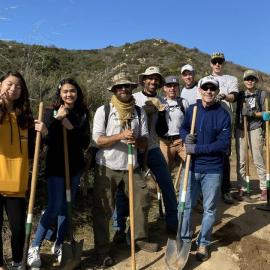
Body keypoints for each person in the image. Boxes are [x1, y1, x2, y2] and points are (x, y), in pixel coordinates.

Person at [92, 73, 158, 267]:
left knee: (142, 199)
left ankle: (138, 238)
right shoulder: (103, 111)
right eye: (119, 87)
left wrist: (135, 141)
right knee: (103, 209)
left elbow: (145, 141)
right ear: (114, 90)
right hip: (107, 166)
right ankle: (102, 250)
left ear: (132, 89)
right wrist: (120, 136)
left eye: (127, 86)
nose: (124, 90)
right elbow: (98, 140)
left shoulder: (139, 112)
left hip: (131, 165)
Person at [27, 78, 90, 268]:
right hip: (56, 166)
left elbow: (84, 141)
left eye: (72, 91)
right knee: (55, 205)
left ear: (77, 93)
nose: (69, 94)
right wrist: (56, 120)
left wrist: (70, 126)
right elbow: (47, 139)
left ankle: (59, 244)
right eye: (65, 91)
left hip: (74, 166)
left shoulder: (82, 113)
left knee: (66, 207)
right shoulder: (50, 111)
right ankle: (34, 247)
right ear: (60, 94)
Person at [180, 75, 231, 261]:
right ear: (199, 90)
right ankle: (185, 240)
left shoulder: (223, 115)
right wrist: (186, 137)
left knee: (209, 209)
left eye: (212, 88)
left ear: (216, 92)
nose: (209, 91)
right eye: (205, 88)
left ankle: (203, 243)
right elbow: (183, 128)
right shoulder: (192, 110)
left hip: (213, 170)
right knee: (185, 206)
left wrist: (196, 149)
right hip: (191, 167)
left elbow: (222, 145)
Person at [0, 71, 42, 270]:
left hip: (17, 182)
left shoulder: (25, 118)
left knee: (17, 229)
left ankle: (18, 262)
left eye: (18, 86)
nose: (13, 89)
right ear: (0, 85)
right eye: (9, 84)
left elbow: (35, 149)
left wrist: (45, 132)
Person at [133, 66, 178, 234]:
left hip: (153, 148)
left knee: (167, 185)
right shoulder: (134, 98)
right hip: (135, 150)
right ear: (144, 80)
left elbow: (162, 130)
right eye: (150, 78)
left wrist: (159, 113)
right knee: (128, 191)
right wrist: (143, 112)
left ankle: (173, 224)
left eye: (156, 79)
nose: (153, 81)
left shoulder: (162, 100)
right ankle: (120, 229)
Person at [210, 52, 239, 204]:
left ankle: (226, 189)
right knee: (209, 153)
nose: (217, 64)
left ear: (223, 63)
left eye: (220, 61)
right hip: (209, 120)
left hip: (225, 120)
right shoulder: (206, 80)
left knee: (224, 155)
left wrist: (224, 96)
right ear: (211, 64)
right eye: (215, 61)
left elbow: (234, 96)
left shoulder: (230, 79)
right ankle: (210, 188)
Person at [235, 70, 267, 201]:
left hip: (255, 128)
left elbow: (267, 113)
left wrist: (254, 114)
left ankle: (264, 188)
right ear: (244, 80)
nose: (250, 81)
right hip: (241, 129)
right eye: (247, 79)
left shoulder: (261, 94)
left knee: (258, 158)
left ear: (256, 81)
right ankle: (242, 187)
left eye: (252, 79)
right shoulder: (240, 95)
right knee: (241, 160)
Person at [159, 75, 188, 170]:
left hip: (181, 141)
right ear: (164, 88)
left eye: (174, 86)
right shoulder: (160, 102)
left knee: (191, 164)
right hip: (165, 142)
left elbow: (189, 120)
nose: (172, 88)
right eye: (169, 86)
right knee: (164, 171)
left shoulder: (183, 102)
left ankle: (187, 185)